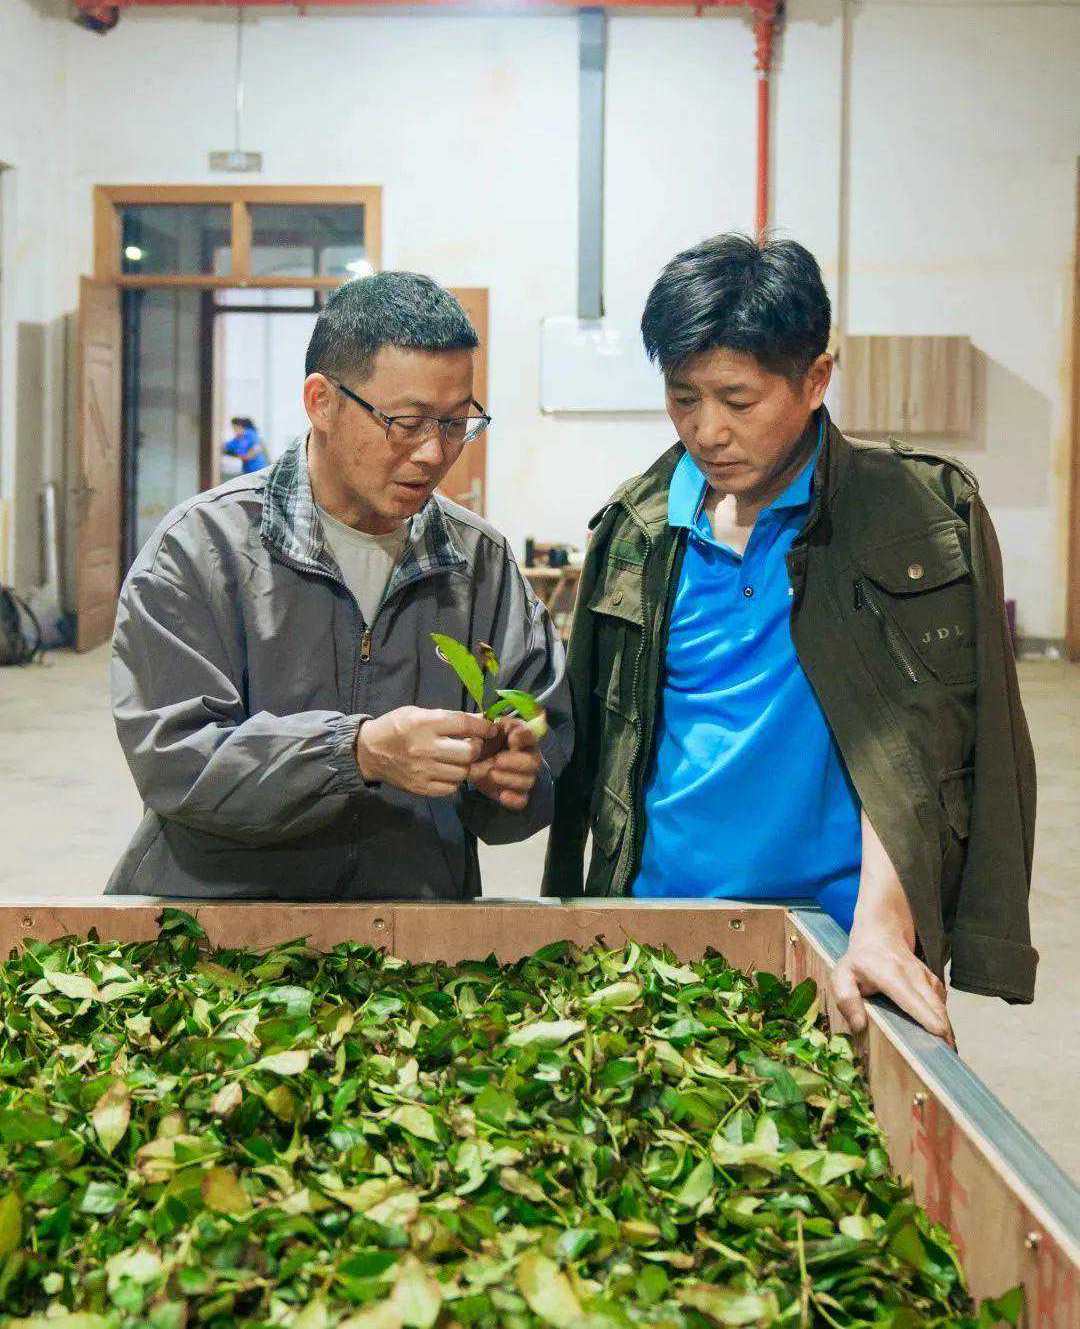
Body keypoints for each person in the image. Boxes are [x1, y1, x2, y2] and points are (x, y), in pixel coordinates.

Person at [543, 234, 1037, 1041]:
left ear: (815, 379)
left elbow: (933, 738)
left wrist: (886, 927)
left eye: (738, 401)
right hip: (655, 936)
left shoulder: (912, 517)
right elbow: (600, 755)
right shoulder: (637, 529)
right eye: (683, 398)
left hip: (840, 945)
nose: (707, 431)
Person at [108, 271, 571, 900]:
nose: (434, 453)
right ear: (321, 401)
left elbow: (542, 739)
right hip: (222, 927)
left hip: (407, 927)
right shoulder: (201, 549)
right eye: (407, 422)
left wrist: (515, 777)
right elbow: (175, 762)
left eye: (456, 422)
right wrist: (354, 753)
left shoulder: (478, 564)